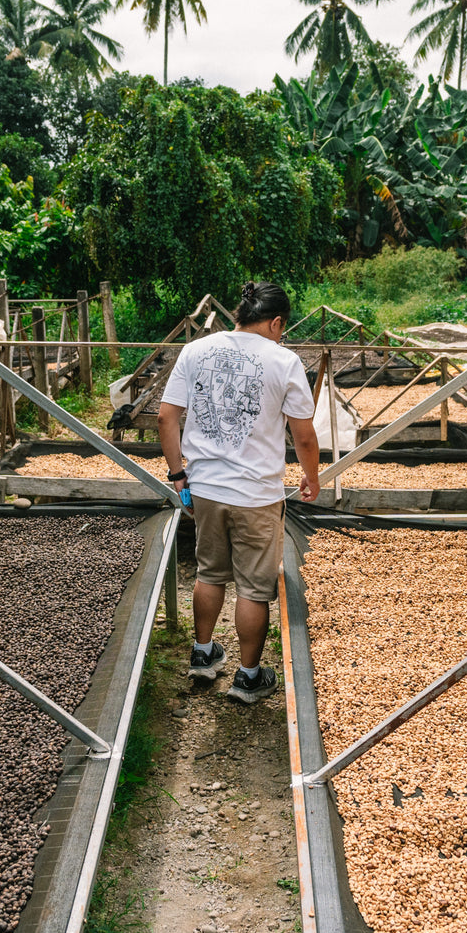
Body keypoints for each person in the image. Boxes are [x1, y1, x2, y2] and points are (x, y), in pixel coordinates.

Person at [159, 281, 321, 705]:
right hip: (257, 494)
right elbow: (304, 436)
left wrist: (178, 474)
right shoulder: (284, 361)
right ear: (276, 322)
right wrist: (311, 476)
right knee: (253, 588)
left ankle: (202, 654)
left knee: (209, 572)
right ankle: (248, 678)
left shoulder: (196, 350)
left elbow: (166, 417)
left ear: (240, 314)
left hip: (206, 488)